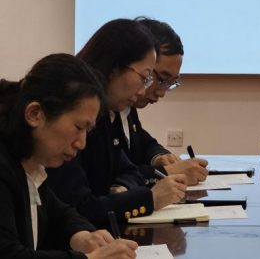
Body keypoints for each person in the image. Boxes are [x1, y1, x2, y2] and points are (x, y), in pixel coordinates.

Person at [45, 20, 188, 227]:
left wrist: (122, 189)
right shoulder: (69, 113)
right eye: (144, 78)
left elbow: (129, 170)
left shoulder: (108, 113)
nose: (143, 90)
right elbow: (80, 209)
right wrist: (150, 198)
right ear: (114, 67)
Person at [0, 53, 138, 258]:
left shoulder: (30, 162)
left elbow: (59, 213)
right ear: (34, 114)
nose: (81, 143)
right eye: (78, 127)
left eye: (87, 131)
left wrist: (83, 236)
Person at [116, 17, 207, 186]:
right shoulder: (102, 108)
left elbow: (142, 141)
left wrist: (159, 156)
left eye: (170, 83)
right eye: (162, 79)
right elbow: (111, 176)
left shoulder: (127, 104)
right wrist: (166, 172)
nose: (162, 93)